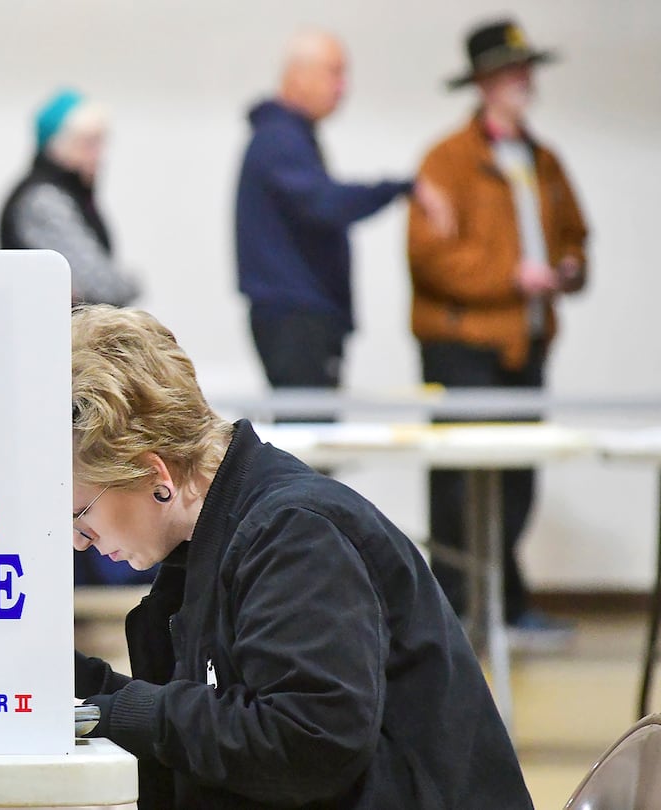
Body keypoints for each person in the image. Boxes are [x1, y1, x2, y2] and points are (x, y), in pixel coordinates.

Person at [70, 305, 532, 809]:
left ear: (152, 472)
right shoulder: (211, 543)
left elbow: (308, 741)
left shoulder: (297, 533)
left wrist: (113, 713)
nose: (79, 539)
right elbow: (207, 721)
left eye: (80, 511)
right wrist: (78, 688)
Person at [408, 18, 588, 641]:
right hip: (462, 347)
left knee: (518, 479)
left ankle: (506, 606)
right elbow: (432, 257)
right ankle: (453, 613)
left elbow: (575, 235)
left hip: (526, 345)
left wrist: (568, 269)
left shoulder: (543, 160)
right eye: (511, 71)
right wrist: (513, 276)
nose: (523, 81)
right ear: (483, 82)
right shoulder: (446, 159)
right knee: (459, 484)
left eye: (526, 69)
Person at [236, 30, 452, 393]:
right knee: (310, 434)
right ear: (299, 75)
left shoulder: (288, 137)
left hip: (301, 314)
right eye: (334, 73)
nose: (343, 87)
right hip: (297, 316)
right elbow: (326, 203)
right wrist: (401, 188)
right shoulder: (280, 140)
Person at [0, 88, 142, 308]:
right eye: (89, 143)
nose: (99, 154)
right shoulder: (42, 200)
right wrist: (133, 283)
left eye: (101, 142)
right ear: (59, 145)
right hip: (56, 335)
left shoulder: (69, 194)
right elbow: (101, 285)